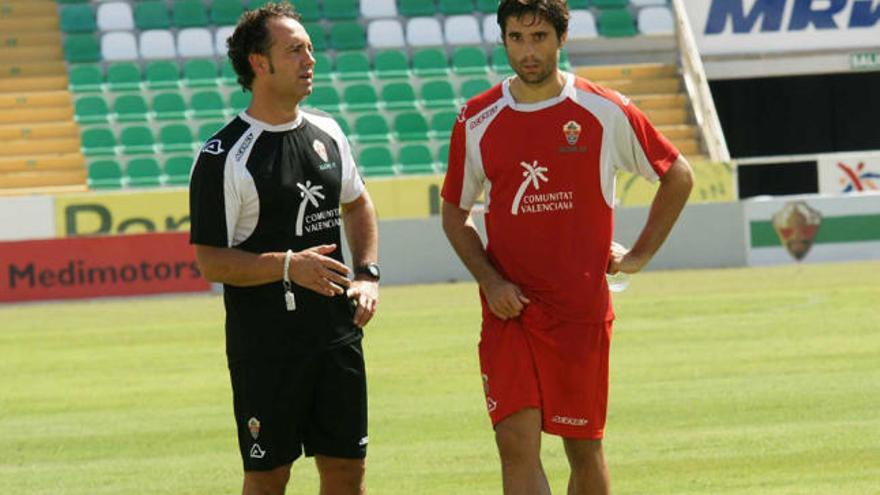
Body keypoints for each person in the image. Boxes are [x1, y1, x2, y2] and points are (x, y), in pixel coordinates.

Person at [441, 1, 694, 494]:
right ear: (503, 40)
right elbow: (455, 213)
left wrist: (639, 255)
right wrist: (491, 282)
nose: (527, 50)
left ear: (561, 39)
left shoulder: (604, 109)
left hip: (579, 311)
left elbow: (677, 174)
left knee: (584, 450)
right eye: (516, 37)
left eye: (538, 37)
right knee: (515, 446)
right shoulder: (476, 118)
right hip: (509, 312)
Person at [188, 3, 380, 494]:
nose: (309, 60)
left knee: (346, 470)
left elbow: (358, 205)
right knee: (268, 476)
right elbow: (211, 260)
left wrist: (367, 274)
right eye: (294, 50)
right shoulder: (224, 156)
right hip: (266, 348)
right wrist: (289, 266)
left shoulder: (328, 133)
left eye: (310, 49)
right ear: (259, 62)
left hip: (337, 337)